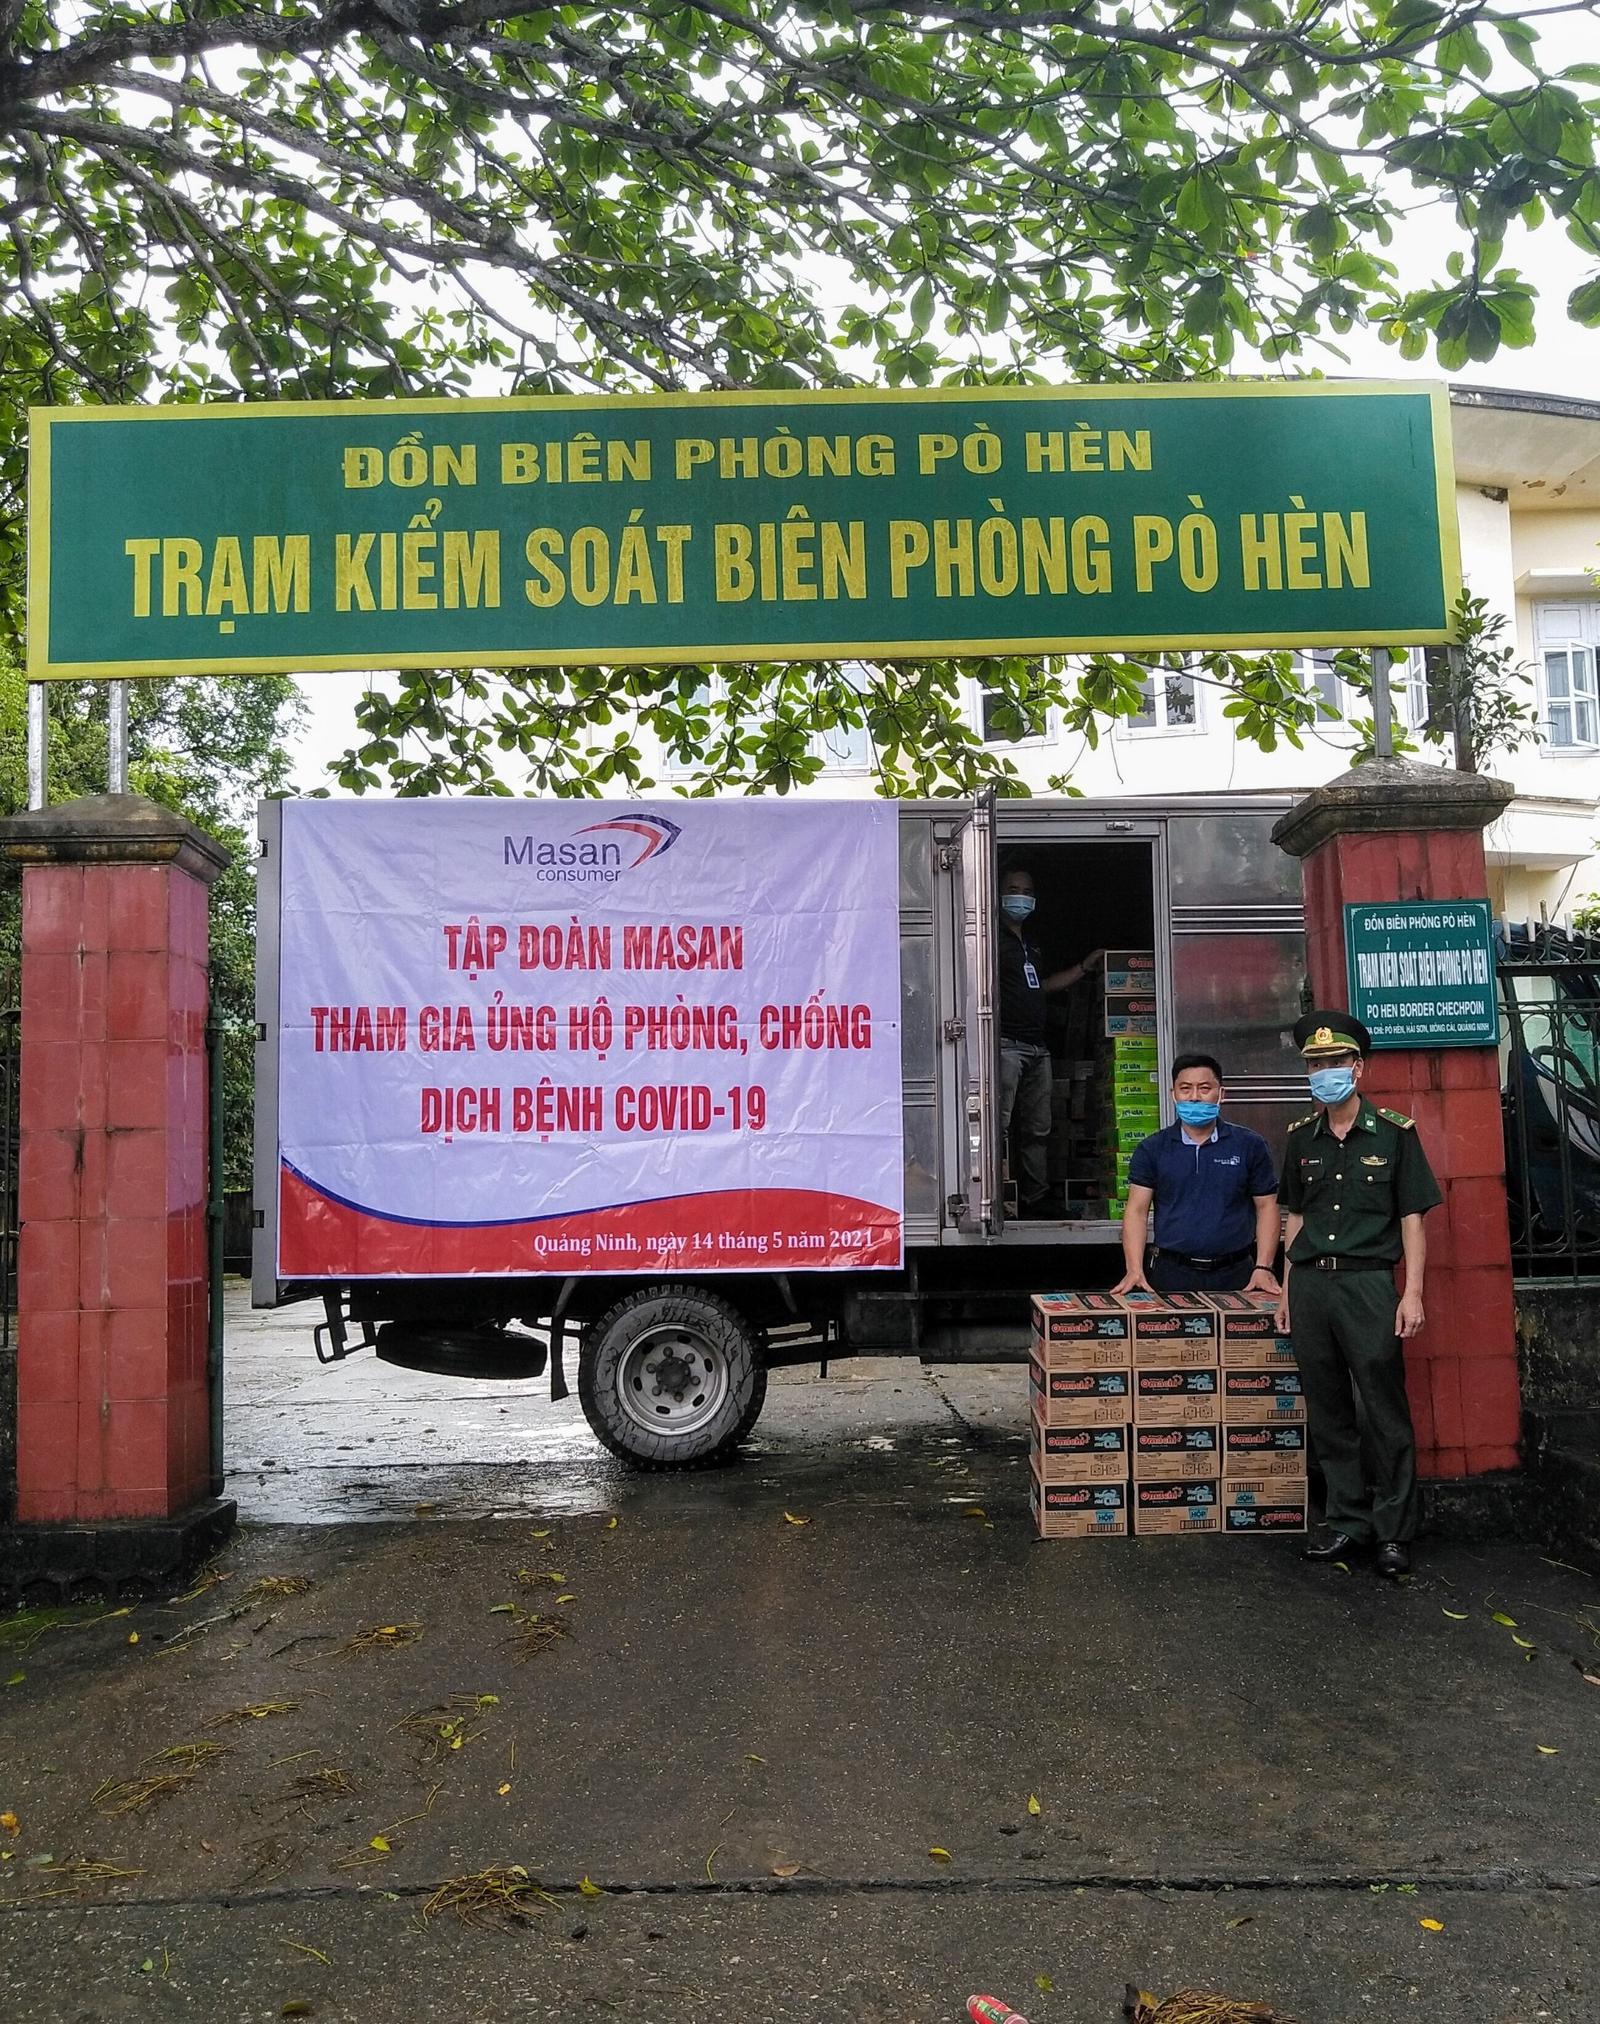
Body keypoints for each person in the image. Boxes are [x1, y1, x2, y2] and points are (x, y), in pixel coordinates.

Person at [1276, 1010, 1442, 1580]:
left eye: (1334, 1062)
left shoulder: (1395, 1133)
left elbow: (1413, 1218)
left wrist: (1412, 1293)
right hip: (1311, 1285)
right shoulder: (1301, 1137)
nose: (1324, 1072)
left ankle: (1394, 1531)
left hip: (1369, 1283)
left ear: (1357, 1068)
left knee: (1383, 1409)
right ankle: (1348, 1520)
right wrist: (1286, 1288)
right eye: (1315, 1064)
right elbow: (1296, 1217)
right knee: (1327, 1409)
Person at [1112, 1053, 1280, 1294]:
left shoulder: (1250, 1145)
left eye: (1204, 1088)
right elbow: (1137, 1211)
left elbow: (1267, 1206)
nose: (1194, 1097)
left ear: (1221, 1094)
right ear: (1173, 1095)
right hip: (1171, 1273)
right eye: (1185, 1088)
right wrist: (1134, 1269)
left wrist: (1263, 1267)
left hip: (1237, 1273)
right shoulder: (1152, 1149)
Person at [997, 862, 1102, 1217]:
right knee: (999, 1126)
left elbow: (1040, 987)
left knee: (1039, 1128)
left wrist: (1083, 968)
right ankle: (998, 1200)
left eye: (1027, 892)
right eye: (1013, 890)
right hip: (1006, 1044)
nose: (1020, 898)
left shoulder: (1030, 943)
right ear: (998, 894)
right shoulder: (990, 939)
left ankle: (1036, 1199)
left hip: (1036, 1048)